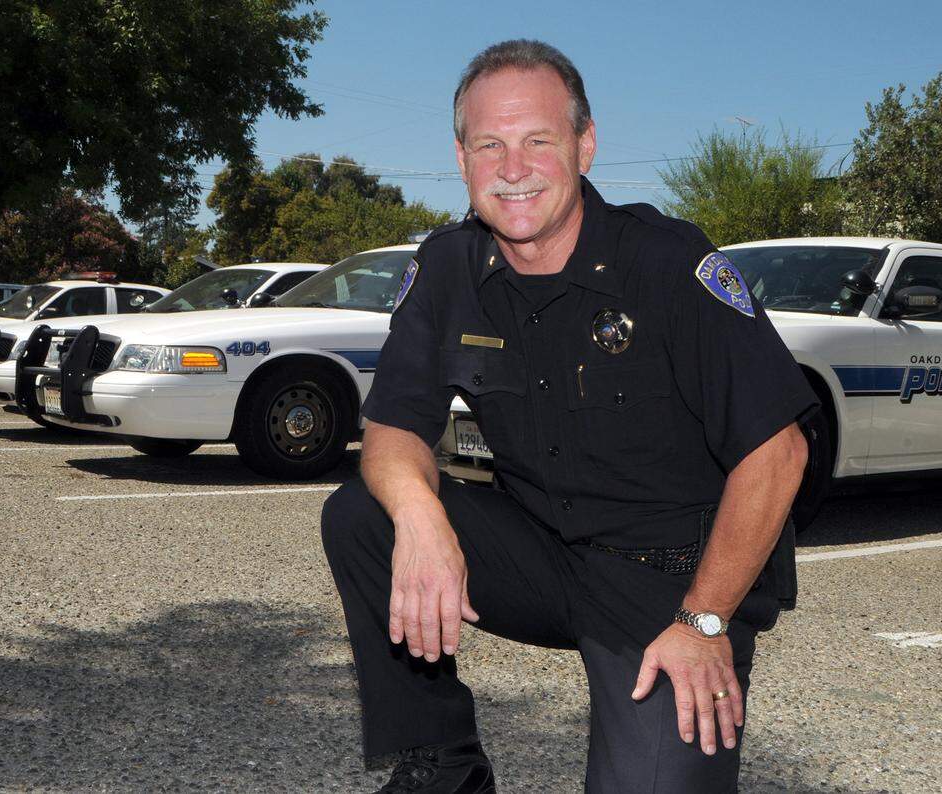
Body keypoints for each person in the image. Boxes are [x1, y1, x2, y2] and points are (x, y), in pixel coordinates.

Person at [321, 39, 816, 793]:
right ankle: (444, 762)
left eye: (538, 141)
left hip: (672, 583)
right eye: (489, 145)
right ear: (461, 159)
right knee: (365, 514)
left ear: (585, 146)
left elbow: (778, 453)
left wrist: (706, 621)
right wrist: (421, 521)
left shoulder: (664, 262)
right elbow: (391, 427)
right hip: (544, 554)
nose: (512, 168)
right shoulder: (449, 266)